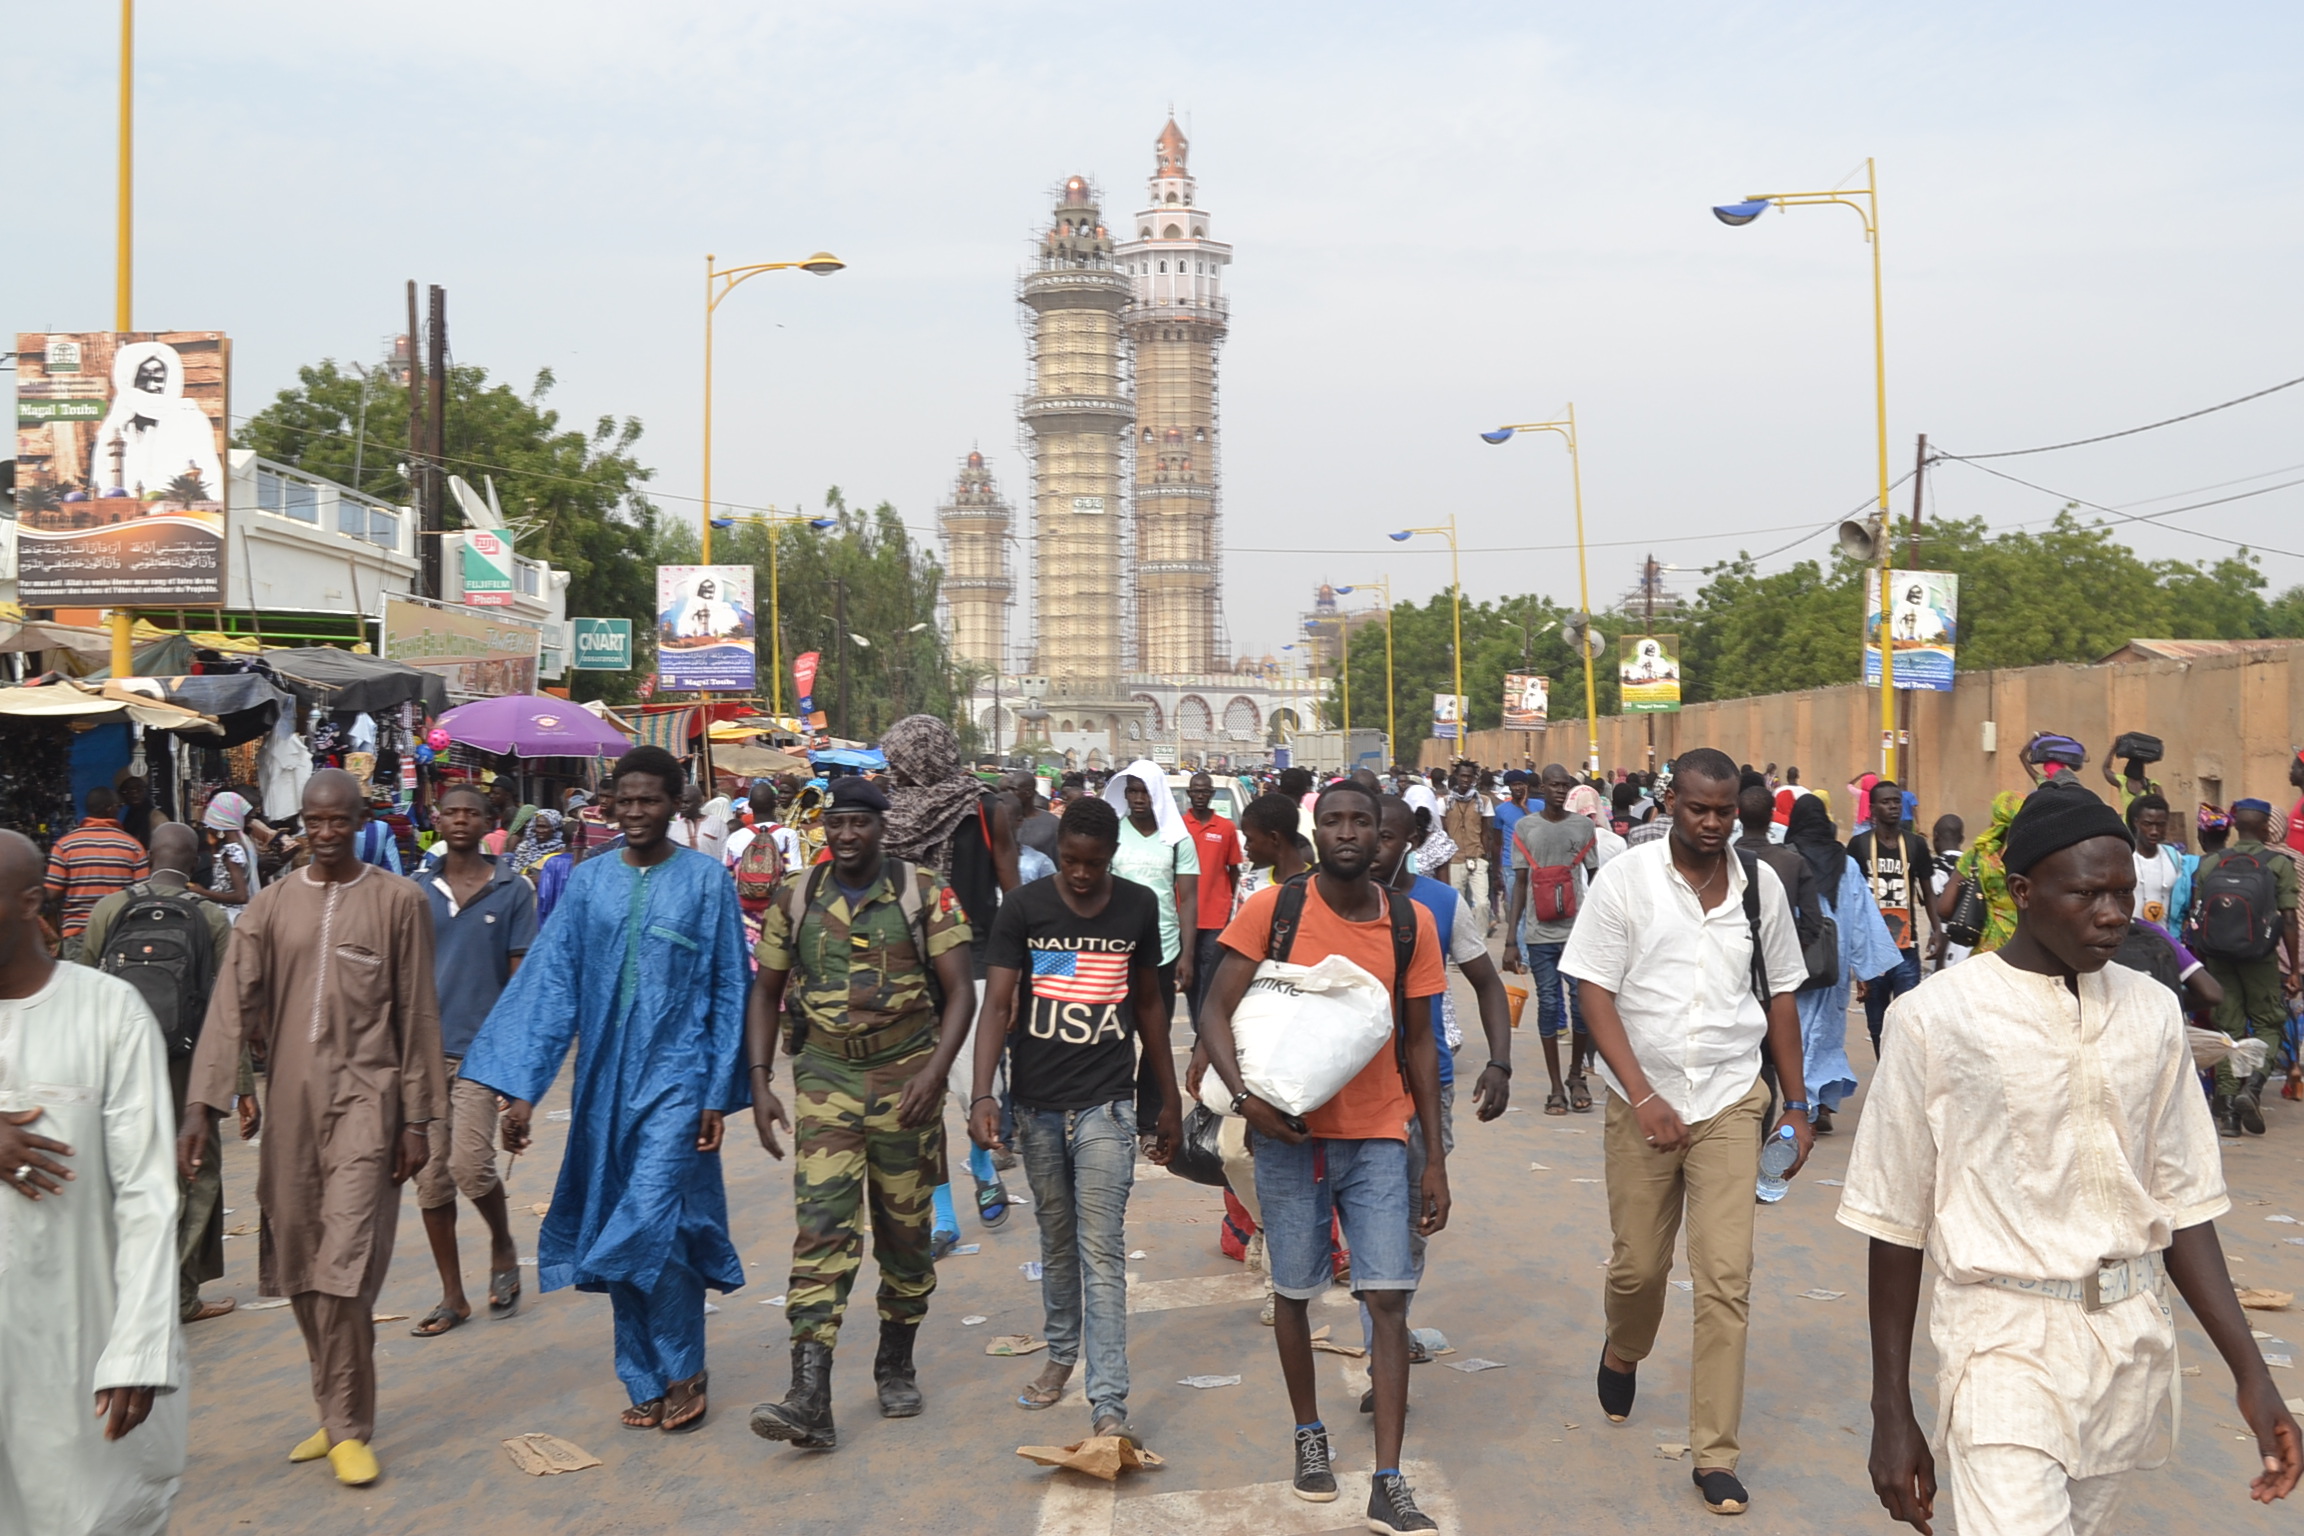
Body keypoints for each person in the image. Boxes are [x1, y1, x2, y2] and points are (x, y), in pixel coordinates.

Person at [1842, 786, 2301, 1536]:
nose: (2114, 913)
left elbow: (2183, 1206)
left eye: (2123, 893)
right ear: (2023, 892)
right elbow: (1894, 1219)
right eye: (2088, 894)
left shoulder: (2152, 1012)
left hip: (2125, 1341)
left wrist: (2253, 1376)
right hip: (2000, 1340)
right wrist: (1889, 1407)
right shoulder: (1935, 1017)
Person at [460, 746, 751, 1436]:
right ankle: (644, 1376)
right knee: (625, 1214)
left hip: (678, 1079)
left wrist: (716, 1090)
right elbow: (551, 985)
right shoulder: (587, 886)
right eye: (624, 799)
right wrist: (521, 1088)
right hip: (602, 1088)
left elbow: (729, 988)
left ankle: (684, 1367)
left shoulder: (707, 884)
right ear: (609, 805)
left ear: (676, 806)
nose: (635, 812)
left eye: (649, 800)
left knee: (652, 1217)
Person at [1559, 747, 1813, 1517]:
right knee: (1639, 1268)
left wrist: (1796, 1108)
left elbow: (1780, 1002)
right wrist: (1641, 1096)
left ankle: (1714, 1454)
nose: (1710, 823)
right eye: (1698, 808)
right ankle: (1622, 1346)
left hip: (1732, 1097)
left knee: (1726, 1276)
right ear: (1670, 801)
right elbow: (1595, 992)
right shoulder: (1626, 881)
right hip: (1644, 1102)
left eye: (1725, 810)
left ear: (1740, 808)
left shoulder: (1760, 887)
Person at [1195, 780, 1450, 1535]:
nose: (1347, 832)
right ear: (1318, 828)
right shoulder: (1275, 909)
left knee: (1388, 1298)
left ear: (1381, 836)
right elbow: (1214, 1006)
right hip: (1290, 1137)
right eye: (1333, 820)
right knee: (1296, 1293)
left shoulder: (1410, 923)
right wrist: (1248, 1103)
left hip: (1378, 1134)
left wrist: (1434, 1158)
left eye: (1361, 822)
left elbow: (1419, 1044)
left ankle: (1388, 1478)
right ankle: (1310, 1434)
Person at [180, 769, 444, 1487]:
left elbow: (418, 1013)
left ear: (361, 822)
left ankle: (351, 1426)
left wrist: (418, 1119)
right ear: (302, 823)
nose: (326, 834)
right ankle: (332, 1411)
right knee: (298, 1260)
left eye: (339, 821)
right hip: (292, 1107)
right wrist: (202, 1105)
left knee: (347, 1264)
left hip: (370, 1102)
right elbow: (231, 1007)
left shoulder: (398, 902)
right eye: (314, 822)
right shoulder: (268, 908)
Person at [744, 775, 976, 1451]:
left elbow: (960, 991)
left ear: (882, 827)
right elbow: (767, 992)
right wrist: (760, 1082)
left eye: (860, 824)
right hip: (826, 1077)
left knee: (905, 1236)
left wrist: (936, 1075)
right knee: (822, 1231)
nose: (846, 836)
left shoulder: (922, 892)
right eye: (836, 824)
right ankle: (808, 1395)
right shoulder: (798, 895)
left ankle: (895, 1359)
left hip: (907, 1077)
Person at [970, 795, 1178, 1443]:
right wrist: (983, 1094)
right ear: (1057, 853)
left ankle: (1109, 1400)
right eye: (1069, 861)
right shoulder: (1025, 911)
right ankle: (1062, 1353)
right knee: (1056, 1242)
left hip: (1106, 1107)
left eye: (1093, 864)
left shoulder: (1137, 907)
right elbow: (999, 1006)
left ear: (1112, 857)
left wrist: (1164, 1100)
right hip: (1035, 1109)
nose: (1081, 875)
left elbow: (1149, 1008)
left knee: (1103, 1249)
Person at [0, 830, 186, 1536]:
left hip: (80, 1345)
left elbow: (146, 1194)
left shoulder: (110, 1013)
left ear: (29, 904)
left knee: (93, 1516)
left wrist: (140, 1346)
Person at [1353, 794, 1513, 1407]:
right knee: (1369, 1221)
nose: (1374, 850)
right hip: (1352, 1088)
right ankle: (1381, 1354)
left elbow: (1488, 984)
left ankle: (1384, 1339)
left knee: (1410, 1224)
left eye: (1387, 838)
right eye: (1369, 836)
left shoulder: (1441, 905)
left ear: (1409, 842)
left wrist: (1499, 1062)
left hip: (1424, 1084)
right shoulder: (1328, 897)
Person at [76, 822, 241, 1324]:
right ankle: (180, 1295)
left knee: (127, 1170)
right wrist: (241, 1086)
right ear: (194, 863)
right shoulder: (209, 916)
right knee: (197, 1171)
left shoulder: (109, 909)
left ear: (148, 857)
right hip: (189, 1069)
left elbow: (85, 985)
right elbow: (228, 1006)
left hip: (121, 1063)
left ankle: (124, 1287)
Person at [877, 715, 1020, 1250]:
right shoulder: (887, 815)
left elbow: (1014, 896)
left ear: (924, 758)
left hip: (976, 962)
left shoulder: (986, 810)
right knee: (921, 1096)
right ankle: (942, 1216)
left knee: (976, 1089)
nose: (893, 770)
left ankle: (982, 1164)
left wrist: (1021, 974)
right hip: (908, 966)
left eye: (900, 760)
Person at [409, 782, 538, 1338]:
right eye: (450, 812)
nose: (460, 820)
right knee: (431, 1181)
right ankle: (452, 1295)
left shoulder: (513, 889)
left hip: (483, 1052)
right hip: (424, 1056)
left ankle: (503, 1242)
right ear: (437, 819)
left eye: (472, 813)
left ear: (491, 821)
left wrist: (520, 1078)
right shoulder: (414, 891)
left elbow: (521, 986)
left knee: (469, 1166)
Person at [1780, 792, 1902, 1133]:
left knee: (1799, 1032)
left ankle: (1805, 1102)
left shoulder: (1789, 859)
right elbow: (1862, 918)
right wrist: (1864, 970)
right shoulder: (1845, 863)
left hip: (1798, 960)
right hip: (1835, 964)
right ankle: (1821, 1104)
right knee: (1828, 1035)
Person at [2189, 798, 2302, 1136]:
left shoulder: (2211, 864)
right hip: (2260, 957)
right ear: (2268, 827)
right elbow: (2290, 919)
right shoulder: (2278, 864)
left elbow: (2196, 917)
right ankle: (2251, 1088)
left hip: (2218, 958)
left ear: (2236, 826)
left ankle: (2228, 1111)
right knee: (2269, 1021)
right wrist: (2294, 969)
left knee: (2229, 1030)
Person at [1102, 760, 1197, 1132]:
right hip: (1118, 952)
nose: (1138, 799)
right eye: (1132, 792)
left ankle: (1150, 1117)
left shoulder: (1177, 839)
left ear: (1156, 793)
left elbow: (1187, 900)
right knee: (1117, 1034)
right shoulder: (1113, 834)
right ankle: (1116, 1110)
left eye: (1144, 791)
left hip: (1164, 952)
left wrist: (1187, 954)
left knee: (1155, 1037)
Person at [1502, 763, 1600, 1116]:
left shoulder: (1583, 826)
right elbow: (1521, 884)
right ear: (1542, 788)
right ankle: (1556, 1085)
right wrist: (1511, 939)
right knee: (1548, 1005)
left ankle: (1577, 1075)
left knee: (1581, 1006)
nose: (1559, 791)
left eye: (1565, 785)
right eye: (1553, 785)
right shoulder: (1526, 828)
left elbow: (1596, 878)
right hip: (1539, 935)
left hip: (1577, 933)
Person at [1848, 778, 1937, 1056]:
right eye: (1886, 802)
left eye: (1897, 801)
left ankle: (1905, 1078)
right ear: (1873, 809)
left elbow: (1928, 891)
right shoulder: (1859, 846)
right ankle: (1885, 1078)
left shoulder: (1915, 845)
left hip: (1906, 950)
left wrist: (1938, 930)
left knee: (1908, 1020)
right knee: (1877, 1025)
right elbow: (1851, 897)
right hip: (1873, 951)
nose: (1893, 807)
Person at [45, 786, 150, 951]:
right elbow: (143, 894)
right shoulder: (133, 847)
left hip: (79, 934)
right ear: (110, 809)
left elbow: (52, 892)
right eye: (119, 806)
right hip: (119, 932)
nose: (120, 809)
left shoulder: (65, 845)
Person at [1182, 770, 1243, 1028]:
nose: (1200, 796)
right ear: (1189, 794)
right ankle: (1200, 1027)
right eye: (1195, 791)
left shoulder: (1226, 828)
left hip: (1215, 918)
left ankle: (1203, 1031)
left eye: (1205, 791)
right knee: (1188, 978)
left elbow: (1234, 870)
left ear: (1212, 795)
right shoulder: (1178, 827)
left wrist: (1227, 903)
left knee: (1209, 978)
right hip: (1183, 917)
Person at [2124, 793, 2192, 933]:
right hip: (2128, 941)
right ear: (2136, 822)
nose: (2154, 831)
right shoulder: (2124, 857)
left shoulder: (2174, 858)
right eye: (2147, 824)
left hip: (2165, 943)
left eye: (2160, 825)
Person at [1439, 760, 1494, 930]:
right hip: (1454, 860)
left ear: (1474, 779)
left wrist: (1485, 856)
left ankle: (1481, 944)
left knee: (1482, 904)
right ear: (1456, 777)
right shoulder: (1444, 802)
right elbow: (1442, 833)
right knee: (1457, 906)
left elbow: (1486, 832)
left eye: (1469, 777)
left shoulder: (1483, 801)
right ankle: (1459, 945)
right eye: (1462, 776)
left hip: (1477, 857)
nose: (1465, 780)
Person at [191, 790, 261, 922]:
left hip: (230, 918)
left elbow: (241, 896)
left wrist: (202, 892)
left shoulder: (231, 851)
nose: (208, 828)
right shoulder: (240, 844)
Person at [1493, 769, 1532, 914]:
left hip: (1533, 864)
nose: (1517, 788)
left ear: (1526, 786)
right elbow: (1497, 842)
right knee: (1516, 908)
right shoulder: (1501, 810)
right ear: (1509, 787)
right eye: (1514, 785)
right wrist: (1497, 871)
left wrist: (1524, 807)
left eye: (1520, 784)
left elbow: (1538, 829)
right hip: (1510, 865)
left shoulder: (1539, 807)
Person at [666, 783, 730, 861]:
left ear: (699, 802)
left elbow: (724, 853)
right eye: (680, 803)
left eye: (687, 802)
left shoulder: (716, 823)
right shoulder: (673, 828)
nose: (682, 806)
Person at [1009, 770, 1062, 860]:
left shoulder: (1052, 824)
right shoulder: (1002, 821)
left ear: (1028, 792)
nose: (1009, 793)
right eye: (1008, 789)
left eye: (1013, 790)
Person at [115, 772, 155, 848]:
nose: (135, 794)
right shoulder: (127, 813)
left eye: (139, 789)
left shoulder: (155, 816)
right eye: (128, 790)